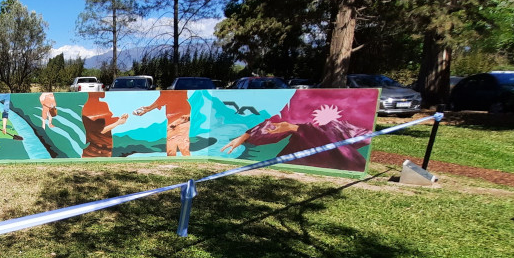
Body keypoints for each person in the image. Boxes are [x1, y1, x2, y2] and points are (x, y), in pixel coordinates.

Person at [219, 92, 369, 170]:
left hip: (328, 158)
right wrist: (246, 135)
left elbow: (360, 134)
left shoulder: (355, 111)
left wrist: (297, 128)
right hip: (296, 155)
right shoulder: (298, 101)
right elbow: (278, 122)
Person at [132, 90, 192, 156]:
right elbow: (164, 98)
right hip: (174, 116)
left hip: (181, 115)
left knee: (181, 145)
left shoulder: (171, 88)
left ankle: (187, 164)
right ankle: (174, 164)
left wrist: (148, 108)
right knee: (172, 147)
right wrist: (148, 108)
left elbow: (164, 98)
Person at [81, 92, 129, 157]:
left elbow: (107, 121)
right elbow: (101, 130)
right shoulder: (90, 108)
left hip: (104, 150)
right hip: (95, 151)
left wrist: (120, 119)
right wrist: (118, 122)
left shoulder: (101, 105)